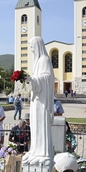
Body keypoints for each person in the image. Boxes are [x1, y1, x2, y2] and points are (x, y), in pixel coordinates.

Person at [22, 36, 54, 165]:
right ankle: (35, 150)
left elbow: (47, 78)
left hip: (42, 101)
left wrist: (33, 80)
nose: (31, 49)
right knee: (35, 126)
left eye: (31, 46)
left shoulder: (44, 60)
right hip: (36, 100)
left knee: (41, 125)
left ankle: (44, 153)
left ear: (37, 45)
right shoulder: (37, 61)